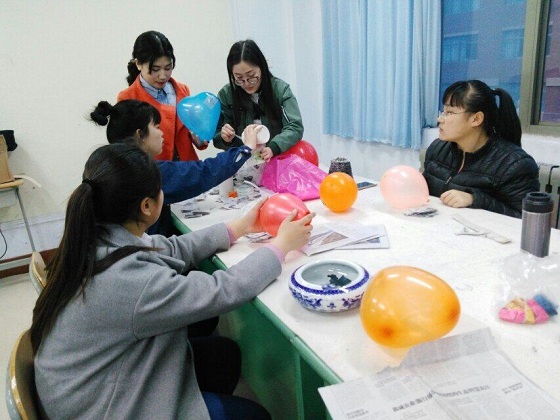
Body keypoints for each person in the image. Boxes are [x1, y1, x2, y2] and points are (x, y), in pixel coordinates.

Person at [31, 143, 315, 419]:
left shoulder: (95, 238)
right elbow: (221, 290)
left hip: (95, 383)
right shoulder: (127, 280)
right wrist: (280, 247)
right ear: (146, 206)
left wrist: (240, 227)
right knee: (255, 415)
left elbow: (168, 248)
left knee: (223, 355)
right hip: (105, 406)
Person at [90, 99, 258, 235]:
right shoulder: (144, 173)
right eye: (156, 127)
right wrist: (246, 148)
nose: (162, 133)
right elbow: (204, 172)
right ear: (140, 135)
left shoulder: (111, 166)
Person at [423, 80, 539, 218]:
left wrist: (475, 199)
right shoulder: (438, 148)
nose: (440, 119)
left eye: (449, 113)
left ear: (476, 119)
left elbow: (525, 218)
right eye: (443, 111)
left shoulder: (515, 164)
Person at [213, 39, 304, 184]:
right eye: (239, 79)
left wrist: (274, 147)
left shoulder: (280, 90)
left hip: (277, 166)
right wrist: (224, 138)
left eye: (251, 76)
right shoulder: (226, 94)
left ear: (262, 66)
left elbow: (295, 126)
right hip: (242, 171)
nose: (246, 83)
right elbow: (216, 135)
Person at [118, 30, 205, 162]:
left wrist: (200, 137)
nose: (163, 76)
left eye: (168, 68)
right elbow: (129, 150)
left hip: (188, 168)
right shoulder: (127, 98)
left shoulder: (182, 90)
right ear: (138, 64)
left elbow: (193, 132)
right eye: (155, 69)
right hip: (155, 170)